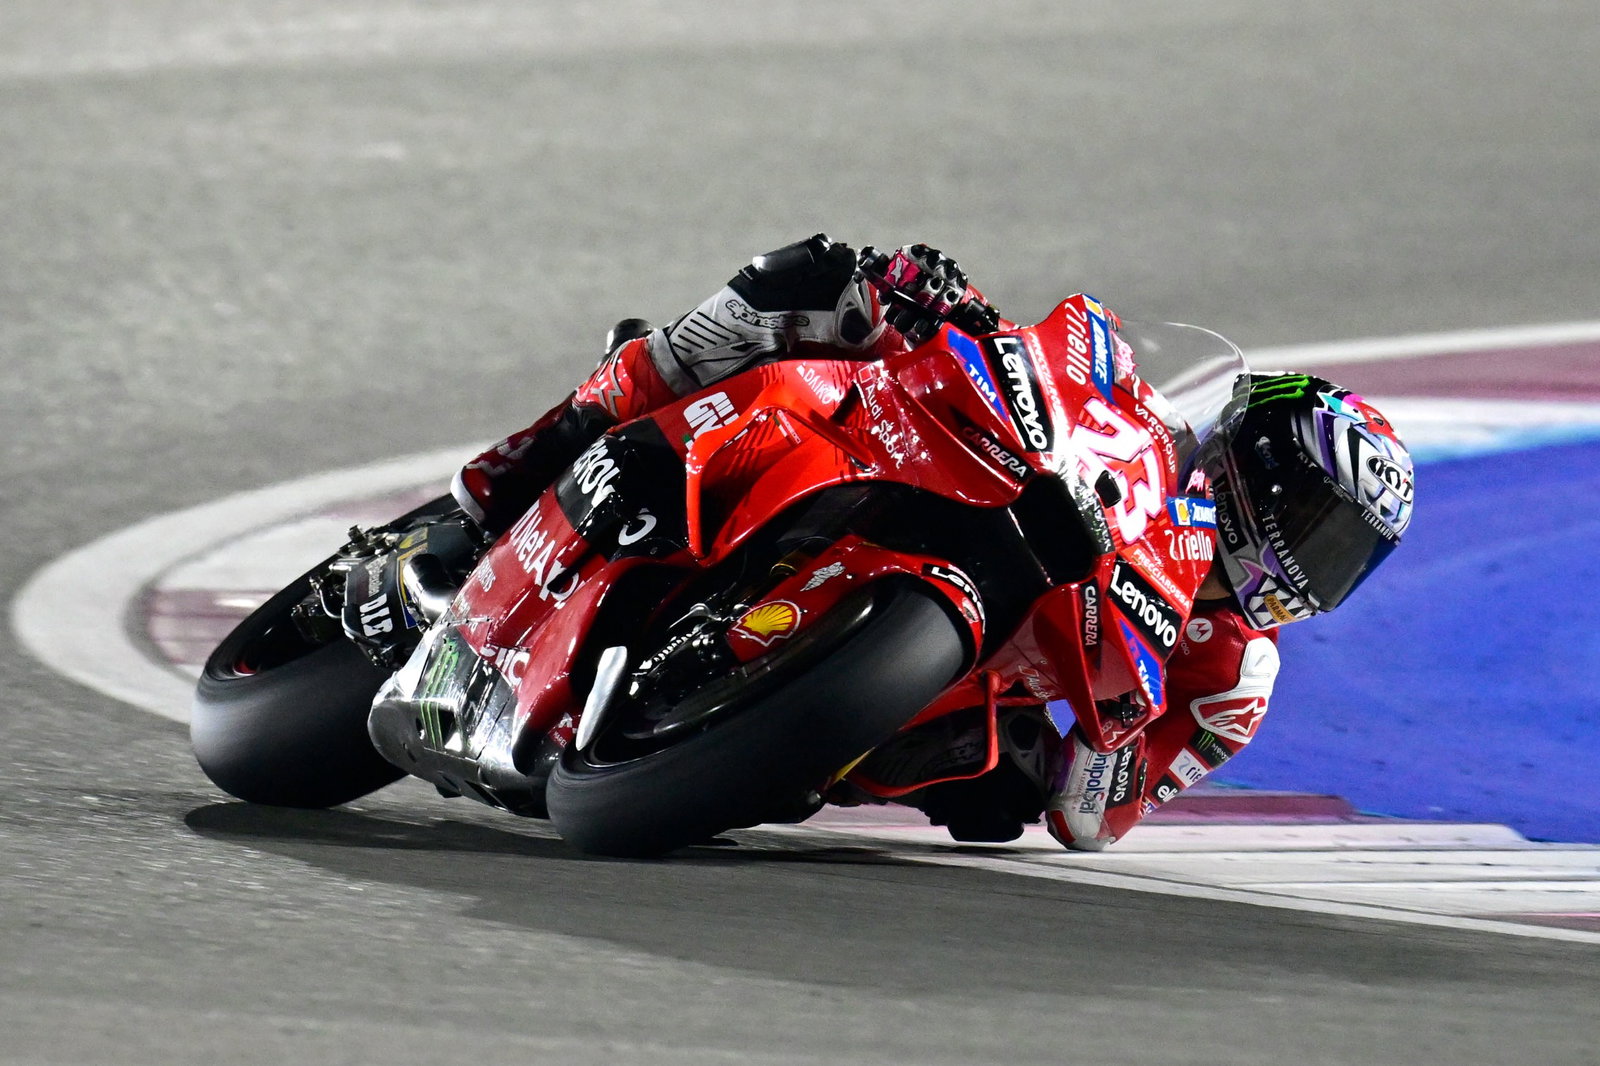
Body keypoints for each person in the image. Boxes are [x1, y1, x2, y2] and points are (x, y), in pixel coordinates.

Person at [449, 234, 1415, 850]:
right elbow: (1069, 361)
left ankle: (743, 724)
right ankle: (558, 439)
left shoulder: (1235, 684)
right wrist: (938, 300)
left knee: (997, 790)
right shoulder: (1151, 437)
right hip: (965, 500)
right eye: (1306, 522)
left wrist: (1090, 750)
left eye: (1337, 557)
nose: (1300, 561)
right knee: (831, 283)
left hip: (945, 691)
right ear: (1247, 460)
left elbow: (1095, 818)